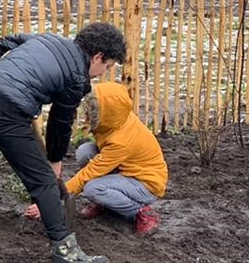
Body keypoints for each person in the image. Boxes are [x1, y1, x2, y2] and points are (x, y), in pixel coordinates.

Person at [0, 21, 125, 263]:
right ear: (97, 56)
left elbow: (2, 43)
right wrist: (54, 161)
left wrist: (11, 77)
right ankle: (66, 255)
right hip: (7, 112)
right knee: (43, 181)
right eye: (106, 66)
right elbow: (59, 123)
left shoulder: (46, 39)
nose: (101, 73)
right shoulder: (77, 76)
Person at [24, 80, 167, 235]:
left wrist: (49, 201)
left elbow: (89, 174)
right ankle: (107, 203)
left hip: (145, 183)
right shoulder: (117, 118)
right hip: (127, 170)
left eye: (93, 109)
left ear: (106, 112)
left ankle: (141, 212)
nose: (87, 112)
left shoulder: (122, 141)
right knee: (84, 151)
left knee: (92, 188)